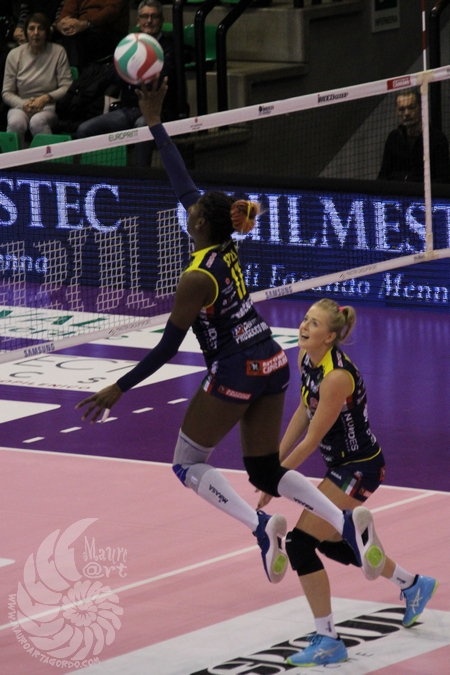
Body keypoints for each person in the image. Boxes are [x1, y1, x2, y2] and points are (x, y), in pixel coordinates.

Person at [76, 76, 386, 591]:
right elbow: (182, 183)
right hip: (273, 359)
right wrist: (155, 124)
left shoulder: (196, 277)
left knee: (187, 463)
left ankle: (260, 526)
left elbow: (168, 346)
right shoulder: (224, 243)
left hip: (237, 368)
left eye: (193, 212)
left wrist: (119, 387)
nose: (188, 210)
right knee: (264, 469)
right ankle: (343, 520)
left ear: (201, 224)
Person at [257, 298, 438, 667]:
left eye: (314, 323)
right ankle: (412, 584)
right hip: (341, 466)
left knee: (300, 543)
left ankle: (329, 640)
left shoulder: (337, 377)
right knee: (331, 543)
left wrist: (273, 480)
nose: (304, 326)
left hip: (359, 467)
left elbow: (311, 440)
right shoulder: (306, 358)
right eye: (305, 319)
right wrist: (273, 462)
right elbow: (304, 411)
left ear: (330, 337)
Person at [76, 0, 178, 167]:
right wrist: (137, 81)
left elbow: (162, 78)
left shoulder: (169, 46)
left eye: (154, 16)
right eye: (145, 16)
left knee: (143, 126)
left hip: (155, 112)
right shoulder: (128, 43)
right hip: (127, 109)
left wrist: (130, 79)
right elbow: (111, 73)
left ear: (161, 20)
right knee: (85, 129)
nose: (149, 21)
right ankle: (95, 176)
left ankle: (141, 177)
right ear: (138, 20)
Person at [2, 12, 72, 147]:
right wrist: (23, 104)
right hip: (21, 105)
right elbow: (6, 92)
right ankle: (12, 159)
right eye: (31, 28)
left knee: (37, 121)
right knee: (15, 122)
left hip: (48, 106)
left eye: (40, 28)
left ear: (47, 32)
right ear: (26, 32)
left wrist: (46, 98)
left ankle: (51, 159)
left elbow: (67, 86)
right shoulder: (14, 54)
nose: (36, 33)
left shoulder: (58, 51)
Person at [378, 88, 450, 183]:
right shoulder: (393, 138)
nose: (406, 113)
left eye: (411, 108)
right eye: (401, 109)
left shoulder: (437, 139)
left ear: (421, 107)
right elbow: (383, 176)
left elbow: (443, 180)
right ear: (396, 111)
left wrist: (406, 178)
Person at [54, 0, 129, 68]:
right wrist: (61, 24)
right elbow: (68, 10)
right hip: (81, 29)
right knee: (60, 38)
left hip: (108, 31)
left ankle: (76, 72)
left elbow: (111, 11)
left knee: (74, 40)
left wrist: (86, 23)